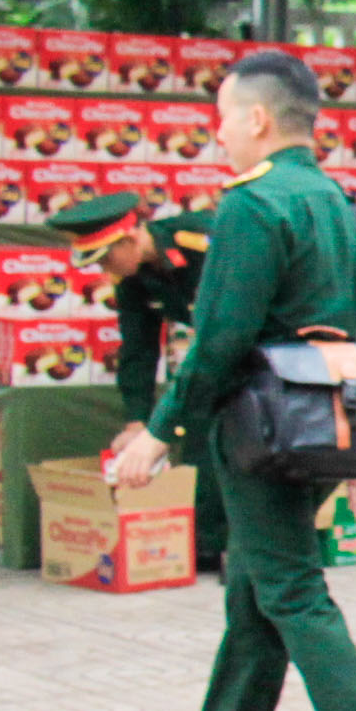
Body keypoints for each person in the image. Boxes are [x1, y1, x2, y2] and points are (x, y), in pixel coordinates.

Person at [109, 50, 356, 711]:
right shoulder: (340, 202)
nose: (218, 135)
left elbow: (219, 338)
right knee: (257, 570)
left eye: (221, 119)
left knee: (289, 587)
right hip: (320, 421)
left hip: (264, 426)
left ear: (256, 119)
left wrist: (160, 431)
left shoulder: (252, 205)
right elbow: (353, 327)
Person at [46, 190, 225, 570]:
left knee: (225, 430)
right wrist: (137, 421)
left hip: (262, 341)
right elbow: (139, 351)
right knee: (197, 426)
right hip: (216, 351)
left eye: (105, 257)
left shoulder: (202, 243)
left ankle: (235, 546)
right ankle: (206, 545)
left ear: (129, 238)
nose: (103, 270)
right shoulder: (131, 278)